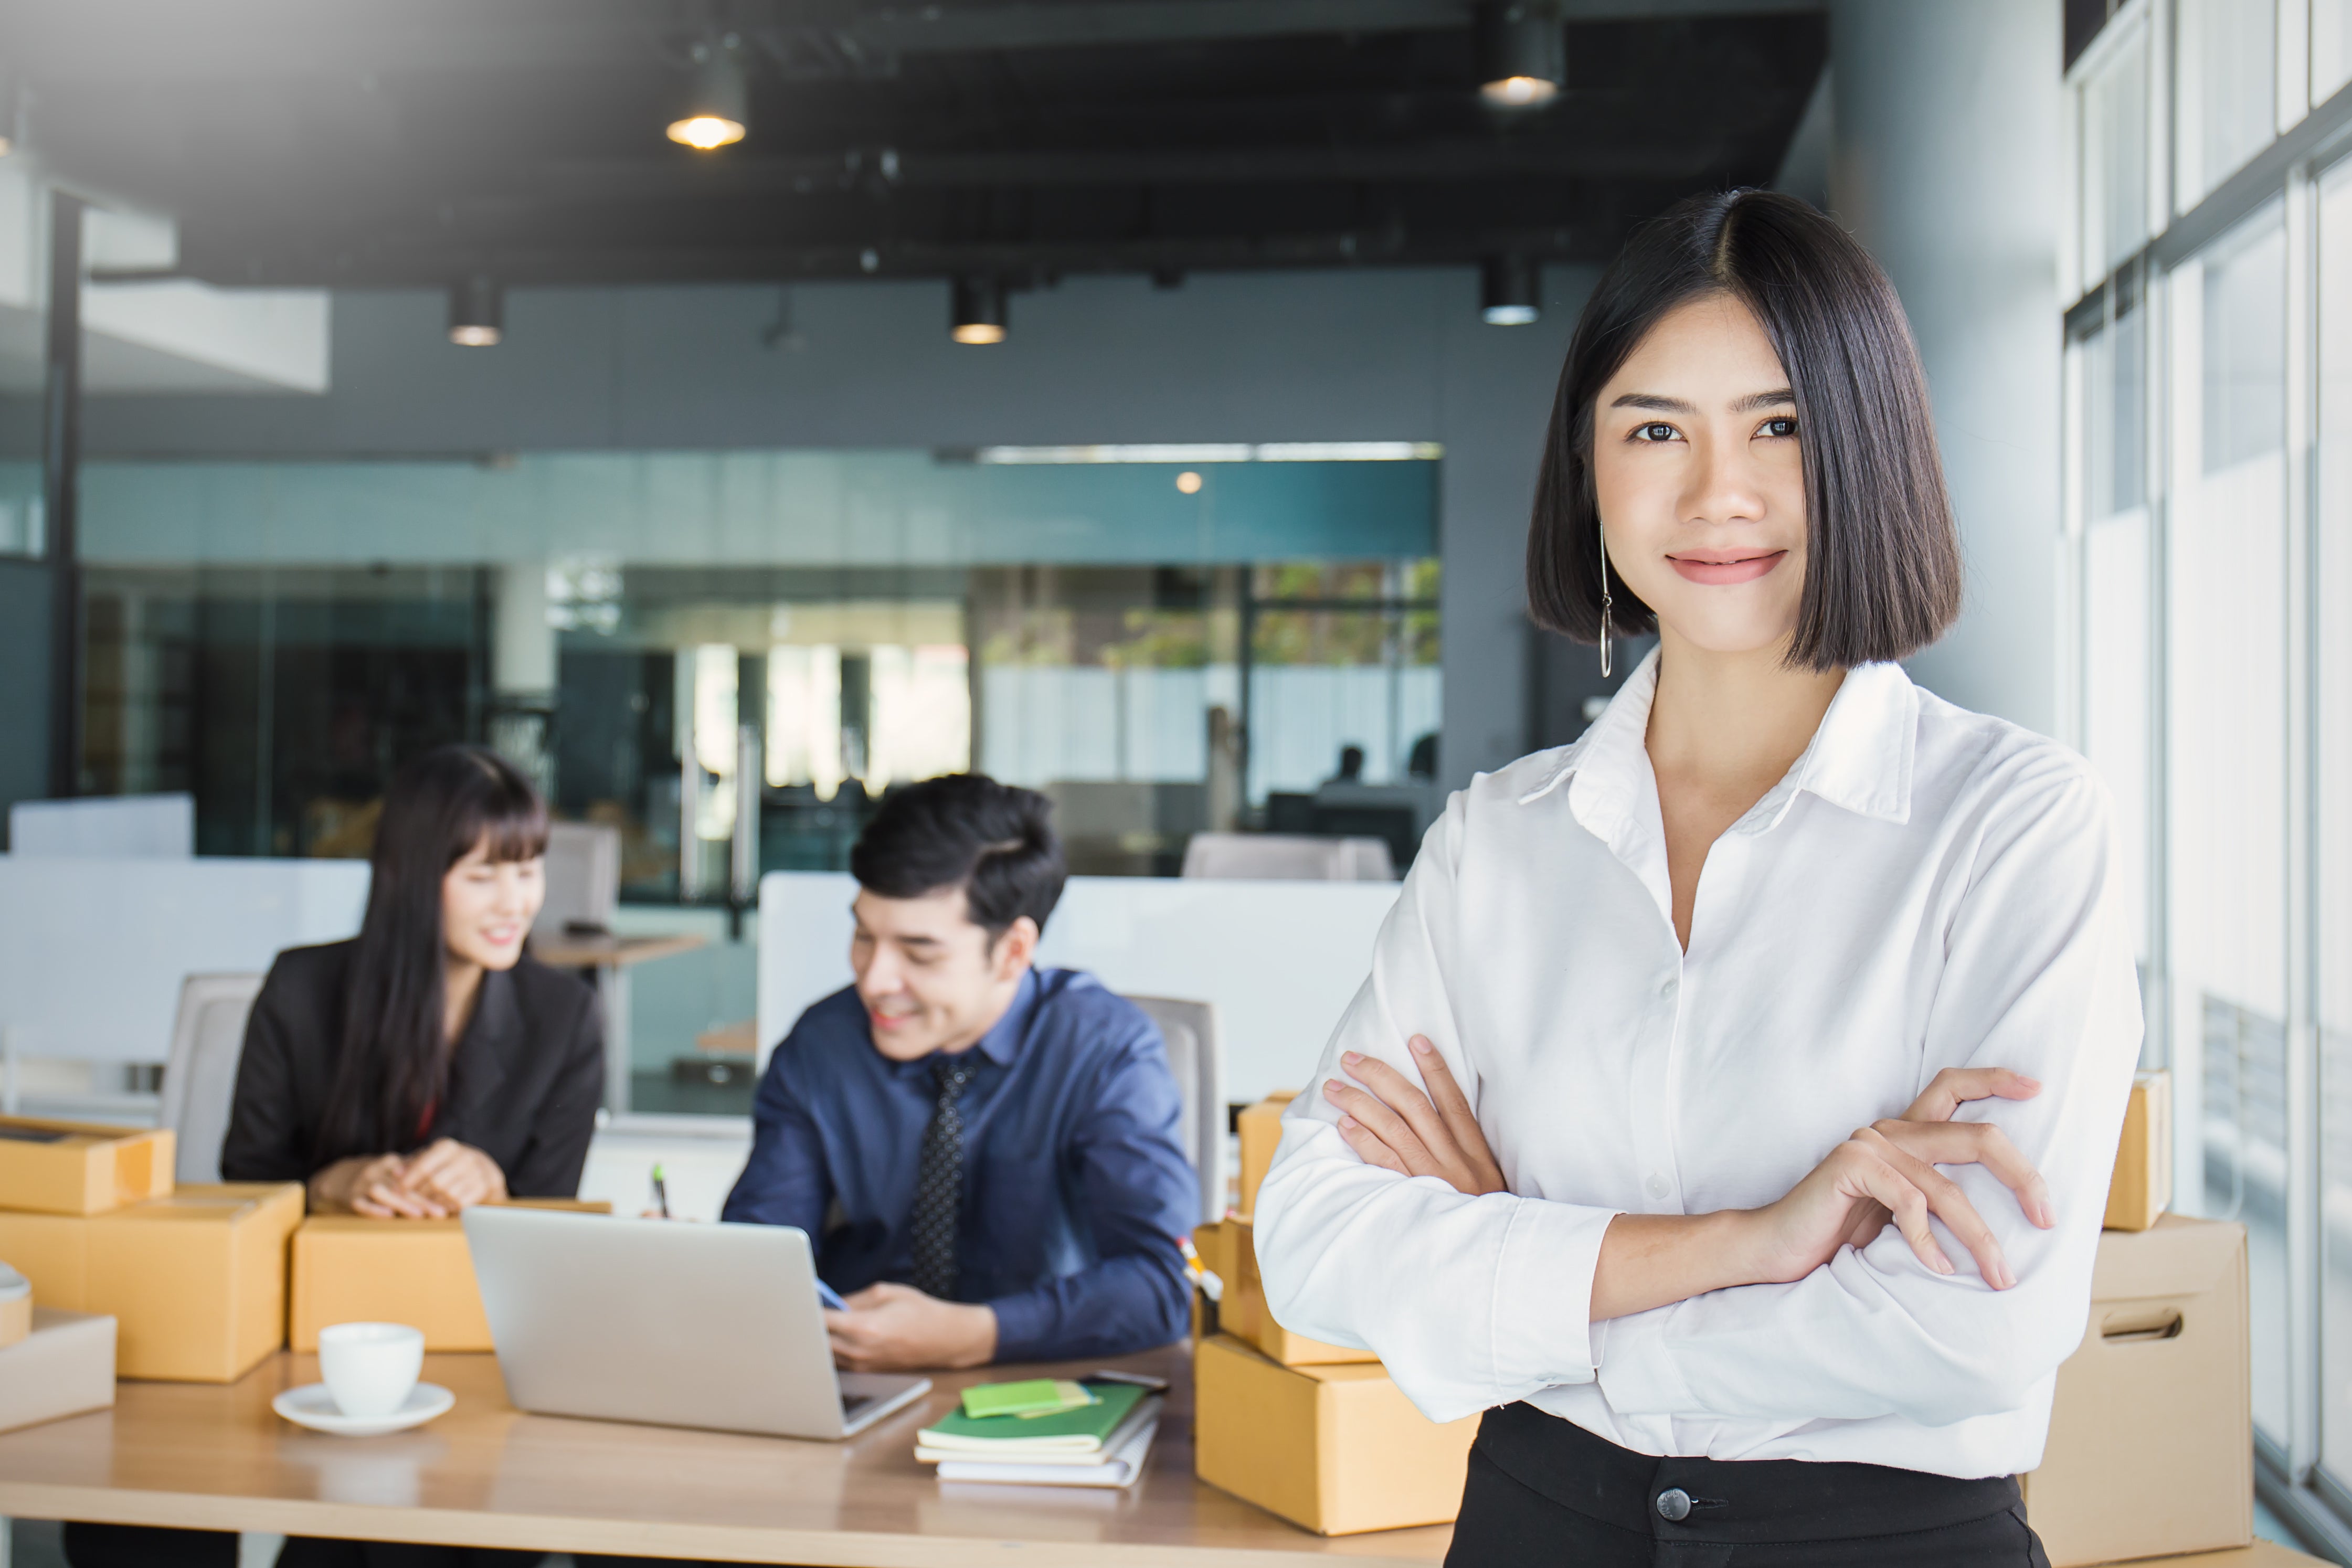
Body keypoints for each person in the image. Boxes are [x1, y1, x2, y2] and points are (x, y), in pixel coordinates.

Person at [1254, 189, 2139, 1568]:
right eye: (1654, 427)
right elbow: (1309, 1241)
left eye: (1778, 426)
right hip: (1530, 1531)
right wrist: (1753, 1238)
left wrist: (1517, 1265)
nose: (1714, 492)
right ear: (1587, 461)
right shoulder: (1498, 842)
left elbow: (1976, 1324)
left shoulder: (2014, 824)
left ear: (1867, 446)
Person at [66, 745, 600, 1568]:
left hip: (471, 1356)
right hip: (309, 1350)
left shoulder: (563, 1017)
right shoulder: (302, 991)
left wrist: (495, 1182)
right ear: (415, 877)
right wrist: (332, 1182)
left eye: (527, 870)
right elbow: (243, 1188)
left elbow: (554, 1222)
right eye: (483, 875)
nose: (515, 903)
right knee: (131, 1519)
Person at [723, 772, 1196, 1371]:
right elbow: (761, 1250)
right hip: (852, 1376)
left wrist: (976, 1334)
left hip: (1046, 1380)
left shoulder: (1103, 1051)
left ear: (1013, 952)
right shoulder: (823, 1045)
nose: (874, 980)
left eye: (919, 953)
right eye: (865, 937)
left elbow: (1164, 1283)